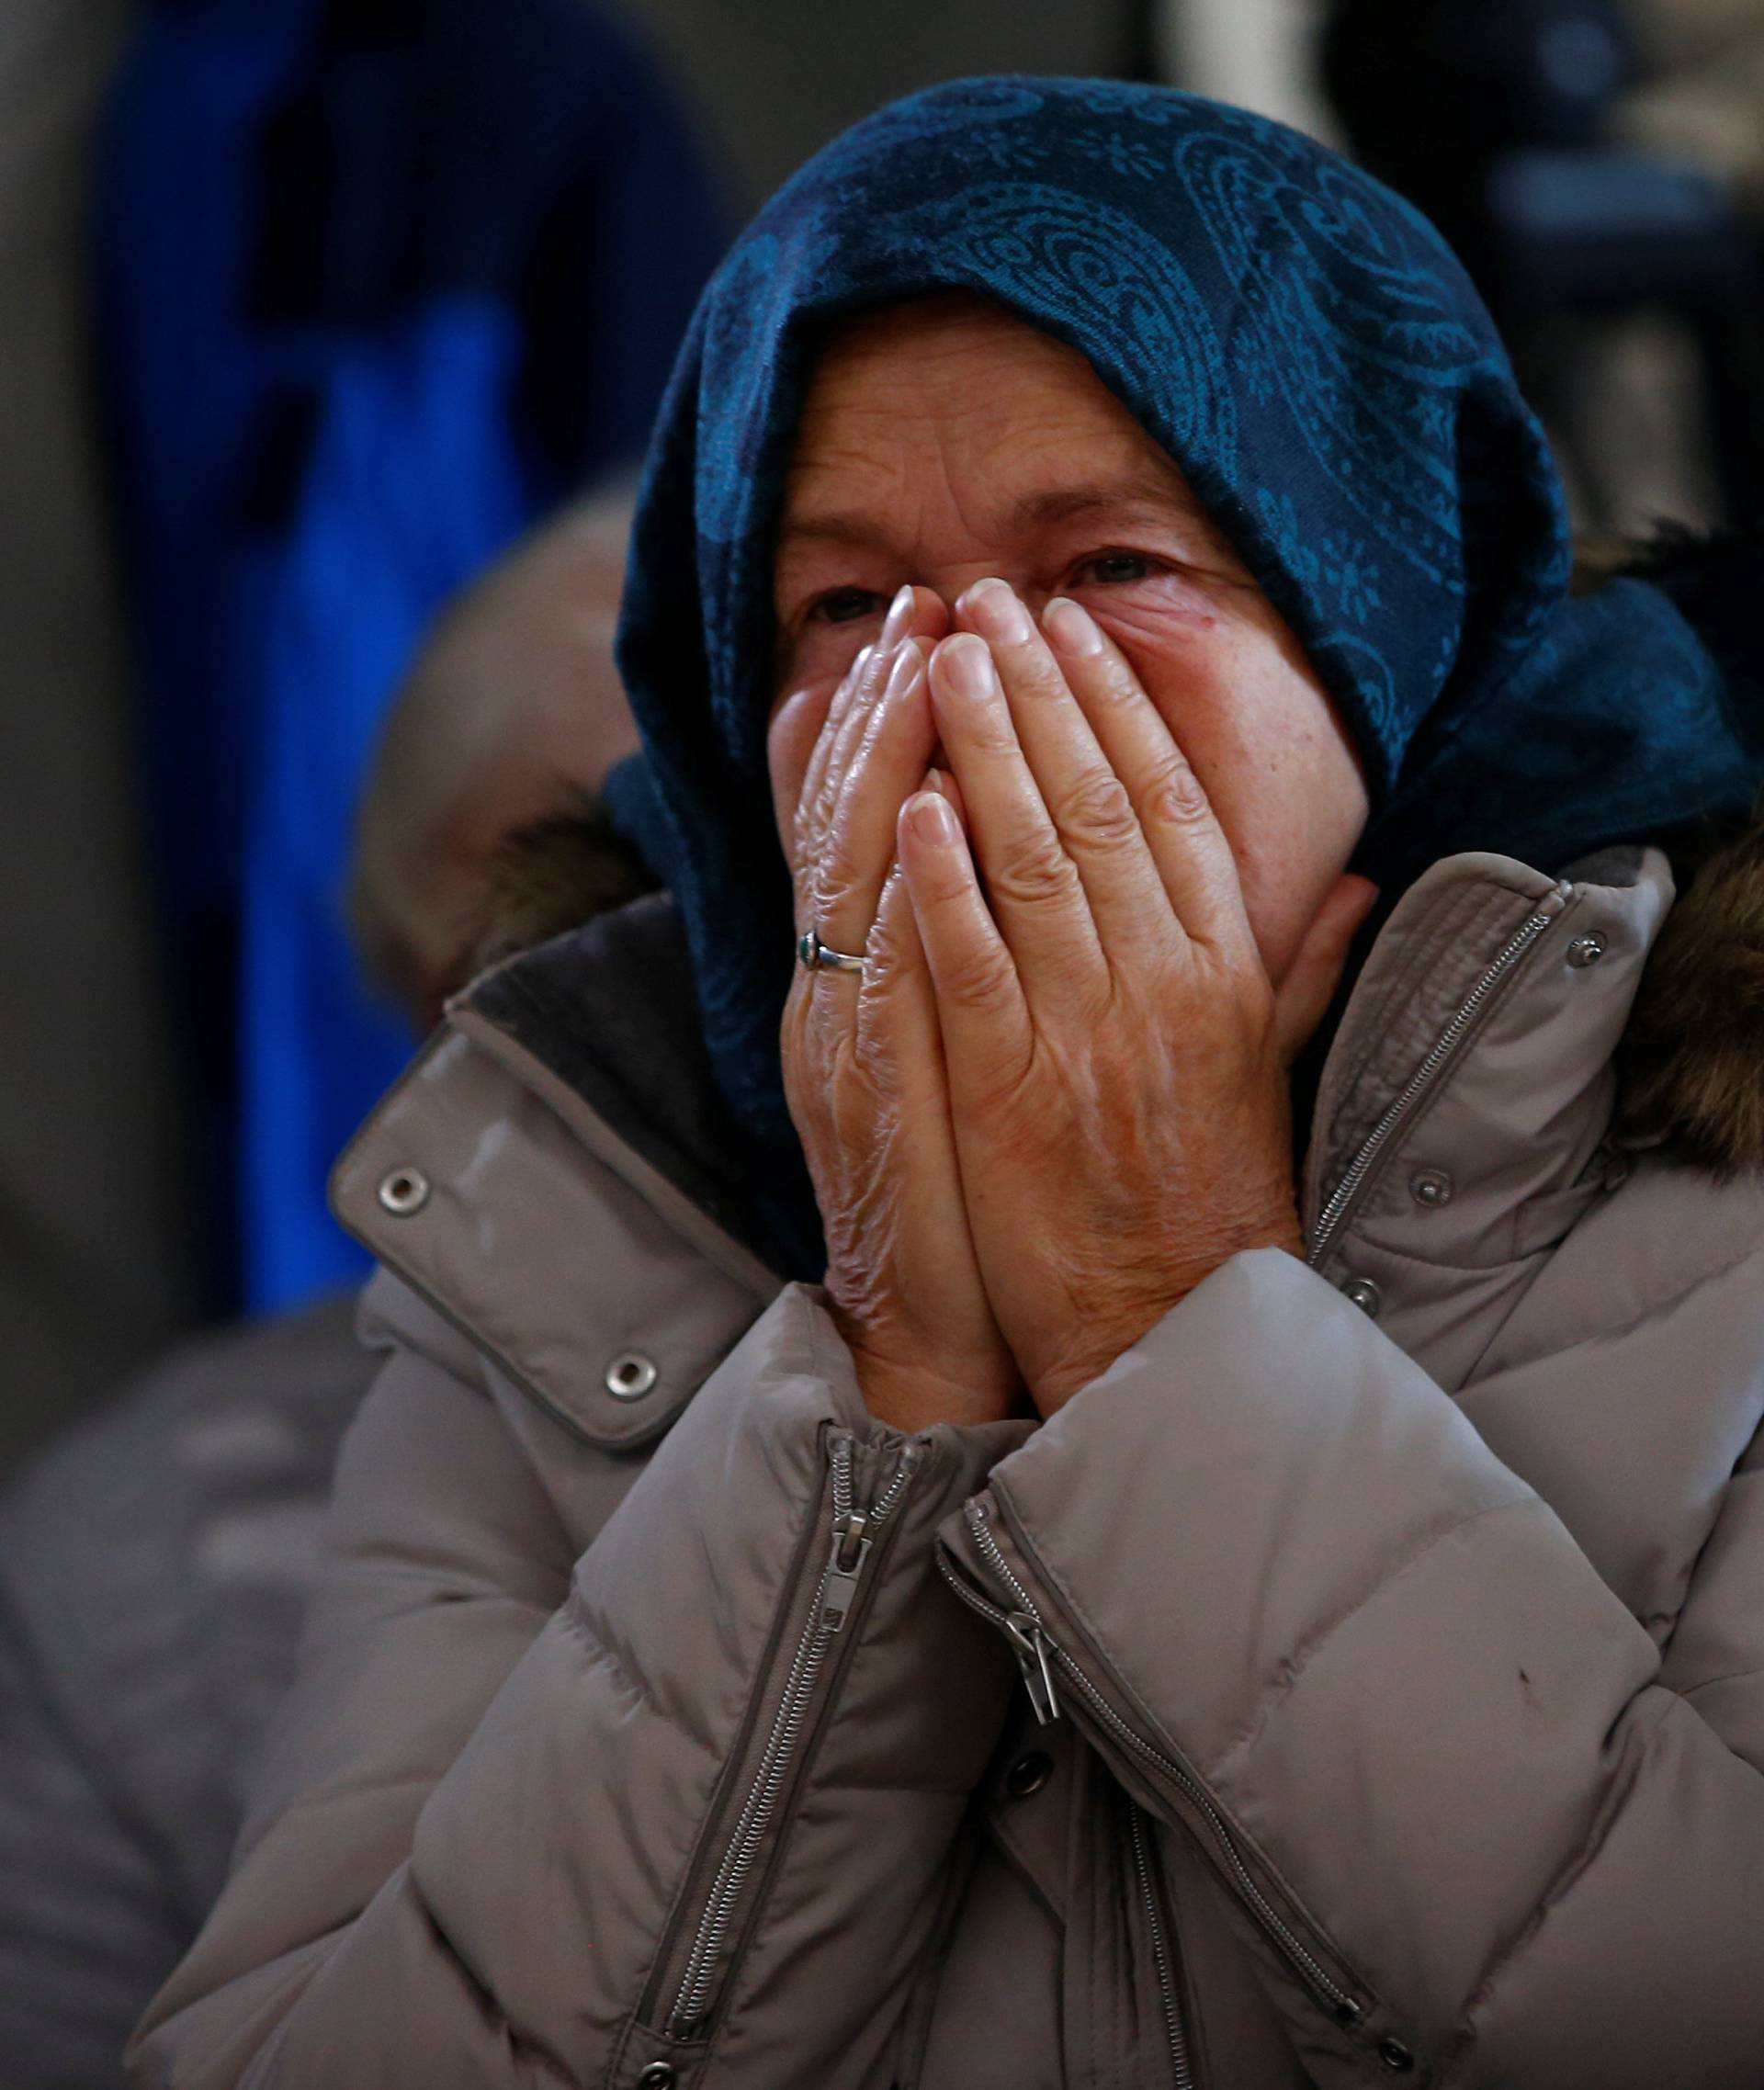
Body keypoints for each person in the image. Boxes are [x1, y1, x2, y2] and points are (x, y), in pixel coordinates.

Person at [132, 80, 1764, 2088]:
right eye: (841, 605)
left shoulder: (1729, 1170)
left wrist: (1168, 1313)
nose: (963, 694)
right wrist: (881, 1369)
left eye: (1112, 569)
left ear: (1386, 634)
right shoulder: (562, 1223)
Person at [0, 499, 656, 2090]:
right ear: (416, 983)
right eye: (575, 913)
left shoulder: (1193, 1419)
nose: (685, 997)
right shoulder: (137, 1556)